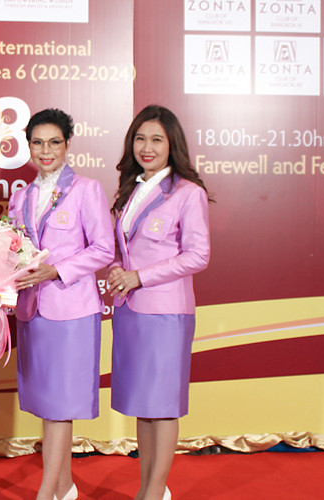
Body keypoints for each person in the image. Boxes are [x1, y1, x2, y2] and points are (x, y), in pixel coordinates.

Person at [7, 108, 115, 500]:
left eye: (54, 142)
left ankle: (45, 492)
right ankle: (65, 488)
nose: (46, 150)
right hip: (32, 312)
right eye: (38, 143)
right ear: (28, 146)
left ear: (68, 144)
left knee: (60, 407)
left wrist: (56, 270)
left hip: (72, 312)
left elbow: (103, 248)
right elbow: (14, 252)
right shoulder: (20, 197)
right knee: (46, 404)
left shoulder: (87, 189)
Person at [106, 105, 211, 500]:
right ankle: (147, 489)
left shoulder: (187, 192)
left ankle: (154, 491)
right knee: (144, 404)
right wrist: (118, 269)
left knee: (163, 405)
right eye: (140, 139)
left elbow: (198, 256)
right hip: (131, 311)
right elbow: (124, 249)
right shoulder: (132, 189)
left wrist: (140, 277)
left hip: (166, 313)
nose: (146, 148)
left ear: (172, 145)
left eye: (156, 140)